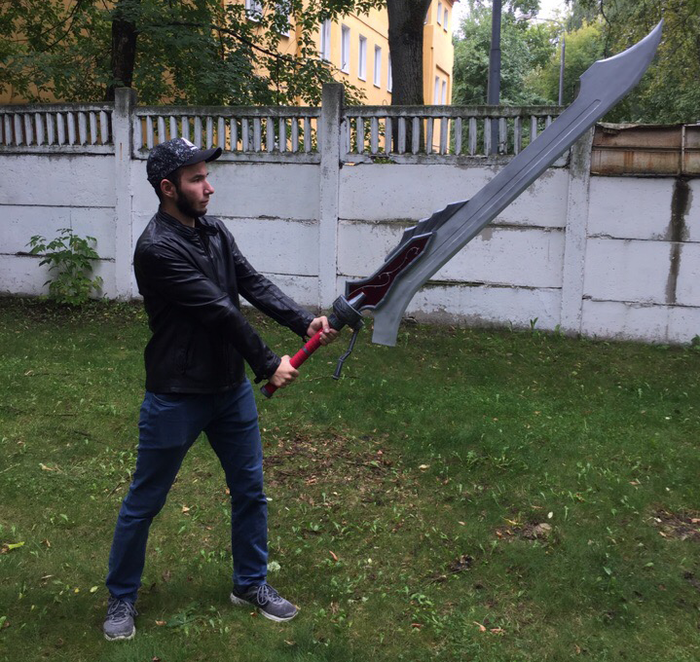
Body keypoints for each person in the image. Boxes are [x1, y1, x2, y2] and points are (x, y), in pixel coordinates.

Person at [103, 138, 337, 641]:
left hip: (229, 390)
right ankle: (121, 595)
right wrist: (269, 364)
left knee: (250, 491)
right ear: (168, 189)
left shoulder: (213, 230)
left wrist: (302, 321)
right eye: (196, 179)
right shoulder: (157, 248)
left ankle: (250, 584)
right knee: (146, 500)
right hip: (177, 393)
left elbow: (249, 281)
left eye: (206, 176)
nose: (209, 187)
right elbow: (218, 311)